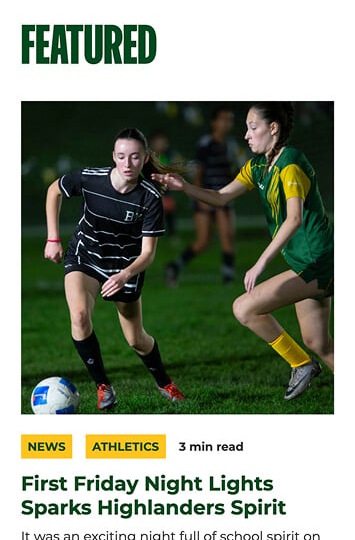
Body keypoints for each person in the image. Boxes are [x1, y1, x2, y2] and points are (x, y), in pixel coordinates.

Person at [152, 103, 334, 401]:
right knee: (319, 342)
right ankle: (305, 362)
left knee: (244, 307)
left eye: (253, 127)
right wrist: (183, 187)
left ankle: (300, 365)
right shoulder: (259, 166)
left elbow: (294, 218)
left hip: (317, 263)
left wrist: (260, 263)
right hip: (307, 263)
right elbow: (221, 197)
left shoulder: (290, 163)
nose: (246, 135)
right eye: (246, 127)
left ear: (273, 128)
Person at [44, 127, 184, 411]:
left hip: (126, 267)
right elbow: (53, 190)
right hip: (86, 255)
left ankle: (164, 382)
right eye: (121, 156)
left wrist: (124, 275)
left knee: (136, 339)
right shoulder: (90, 179)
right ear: (113, 157)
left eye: (134, 157)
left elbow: (148, 254)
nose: (127, 163)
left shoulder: (149, 197)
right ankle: (103, 387)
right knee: (80, 316)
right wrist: (53, 238)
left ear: (144, 158)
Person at [165, 106, 242, 286]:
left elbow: (234, 172)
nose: (226, 123)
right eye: (223, 119)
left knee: (227, 237)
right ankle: (174, 266)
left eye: (229, 119)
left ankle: (228, 280)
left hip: (223, 197)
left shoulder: (231, 146)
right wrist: (200, 199)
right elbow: (198, 172)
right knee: (202, 241)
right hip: (206, 197)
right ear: (214, 122)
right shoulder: (205, 143)